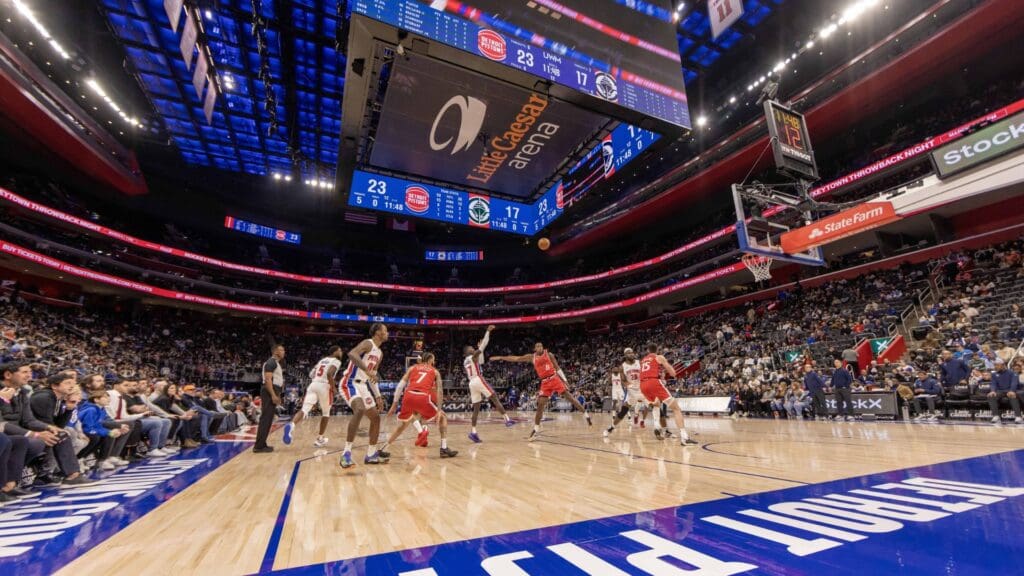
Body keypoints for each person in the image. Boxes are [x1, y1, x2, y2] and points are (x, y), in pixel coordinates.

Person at [492, 342, 592, 441]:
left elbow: (557, 368)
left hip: (554, 378)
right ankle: (536, 429)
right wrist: (501, 357)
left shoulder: (549, 354)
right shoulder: (532, 357)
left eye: (541, 346)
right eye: (537, 346)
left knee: (570, 398)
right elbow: (516, 358)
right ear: (535, 348)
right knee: (540, 405)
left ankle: (586, 415)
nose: (540, 347)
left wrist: (565, 381)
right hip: (545, 383)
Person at [383, 353, 458, 458]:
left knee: (403, 425)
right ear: (430, 360)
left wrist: (394, 404)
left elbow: (400, 385)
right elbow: (440, 391)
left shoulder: (412, 368)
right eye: (434, 360)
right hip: (422, 396)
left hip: (408, 396)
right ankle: (444, 448)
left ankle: (383, 448)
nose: (434, 362)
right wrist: (439, 411)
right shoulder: (435, 371)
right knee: (443, 417)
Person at [29, 373, 98, 486]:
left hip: (39, 427)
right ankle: (66, 475)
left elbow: (59, 424)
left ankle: (56, 473)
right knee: (60, 435)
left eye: (73, 383)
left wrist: (69, 408)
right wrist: (57, 429)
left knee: (62, 433)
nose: (71, 386)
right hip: (29, 429)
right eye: (67, 383)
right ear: (54, 386)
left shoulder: (58, 399)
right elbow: (44, 423)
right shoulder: (44, 397)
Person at [339, 323, 389, 468]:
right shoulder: (368, 343)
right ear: (378, 332)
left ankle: (371, 454)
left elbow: (372, 377)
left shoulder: (379, 354)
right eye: (385, 330)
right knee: (360, 409)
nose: (387, 333)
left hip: (363, 386)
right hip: (349, 382)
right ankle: (346, 454)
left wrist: (378, 396)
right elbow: (352, 354)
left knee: (375, 418)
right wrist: (367, 370)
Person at [284, 345, 344, 448]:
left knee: (304, 409)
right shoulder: (336, 361)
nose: (341, 352)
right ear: (334, 352)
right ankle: (320, 439)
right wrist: (333, 388)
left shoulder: (322, 361)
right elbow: (330, 374)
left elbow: (311, 374)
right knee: (326, 413)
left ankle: (291, 425)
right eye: (340, 350)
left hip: (313, 384)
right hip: (324, 386)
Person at [638, 343, 697, 445]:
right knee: (676, 408)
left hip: (643, 385)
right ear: (657, 350)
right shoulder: (658, 357)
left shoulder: (643, 360)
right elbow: (672, 372)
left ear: (648, 351)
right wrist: (672, 373)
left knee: (656, 404)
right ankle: (684, 437)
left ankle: (657, 425)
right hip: (653, 382)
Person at [605, 348, 670, 439]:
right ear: (625, 355)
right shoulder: (622, 367)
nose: (631, 354)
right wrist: (628, 385)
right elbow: (623, 380)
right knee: (623, 412)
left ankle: (665, 431)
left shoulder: (640, 362)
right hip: (632, 392)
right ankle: (611, 428)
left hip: (643, 389)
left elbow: (647, 372)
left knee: (657, 408)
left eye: (632, 352)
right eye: (629, 353)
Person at [464, 325, 513, 444]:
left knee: (476, 409)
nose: (472, 348)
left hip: (471, 383)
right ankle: (506, 419)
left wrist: (480, 350)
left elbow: (481, 361)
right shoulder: (472, 356)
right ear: (467, 351)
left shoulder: (466, 360)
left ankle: (473, 432)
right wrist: (487, 332)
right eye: (471, 348)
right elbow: (483, 345)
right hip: (478, 379)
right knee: (494, 397)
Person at [254, 344, 285, 453]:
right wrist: (273, 395)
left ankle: (262, 443)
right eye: (282, 350)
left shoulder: (275, 363)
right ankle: (259, 446)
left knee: (268, 419)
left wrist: (278, 394)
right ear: (276, 351)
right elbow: (268, 380)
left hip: (272, 390)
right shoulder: (271, 362)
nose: (284, 352)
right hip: (269, 391)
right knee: (265, 418)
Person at [988, 358, 1021, 424]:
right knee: (991, 396)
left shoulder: (1012, 373)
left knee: (1012, 396)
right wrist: (993, 391)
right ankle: (996, 416)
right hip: (1000, 391)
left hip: (1010, 390)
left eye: (997, 365)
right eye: (995, 365)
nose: (995, 367)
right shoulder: (994, 374)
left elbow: (1014, 383)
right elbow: (993, 383)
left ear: (1003, 365)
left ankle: (1018, 417)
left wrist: (1012, 390)